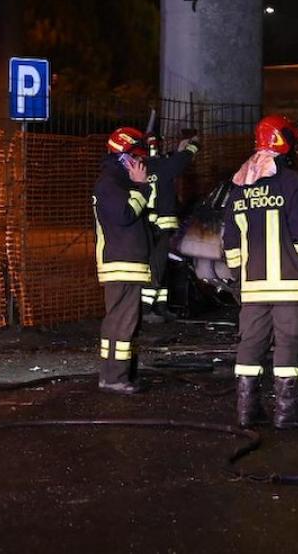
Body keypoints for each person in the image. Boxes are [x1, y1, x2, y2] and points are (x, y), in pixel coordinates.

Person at [222, 115, 298, 429]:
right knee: (289, 345)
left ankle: (246, 411)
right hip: (290, 286)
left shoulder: (239, 187)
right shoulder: (292, 183)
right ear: (285, 142)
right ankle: (286, 413)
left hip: (253, 288)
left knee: (251, 345)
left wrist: (238, 277)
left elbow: (230, 241)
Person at [93, 126, 153, 394]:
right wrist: (142, 186)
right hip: (122, 263)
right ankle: (115, 377)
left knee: (122, 322)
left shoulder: (116, 181)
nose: (141, 163)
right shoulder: (110, 183)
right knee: (122, 322)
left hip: (126, 262)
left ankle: (115, 375)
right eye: (137, 157)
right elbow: (125, 215)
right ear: (125, 156)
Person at [142, 130, 200, 322]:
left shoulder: (143, 167)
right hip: (161, 226)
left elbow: (171, 162)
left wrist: (178, 151)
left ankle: (160, 306)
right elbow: (181, 161)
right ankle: (147, 309)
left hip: (149, 225)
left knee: (161, 266)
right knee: (157, 267)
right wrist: (193, 145)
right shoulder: (162, 165)